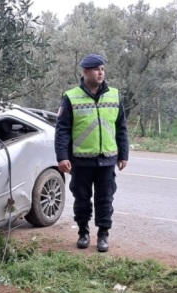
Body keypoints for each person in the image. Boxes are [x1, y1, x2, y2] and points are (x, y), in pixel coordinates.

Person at [54, 53, 129, 253]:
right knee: (81, 198)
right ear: (85, 72)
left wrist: (124, 154)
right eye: (96, 69)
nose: (101, 72)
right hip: (81, 161)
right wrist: (62, 157)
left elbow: (121, 127)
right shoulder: (71, 97)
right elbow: (62, 129)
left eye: (103, 69)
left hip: (107, 159)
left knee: (105, 199)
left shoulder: (114, 95)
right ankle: (83, 232)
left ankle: (103, 234)